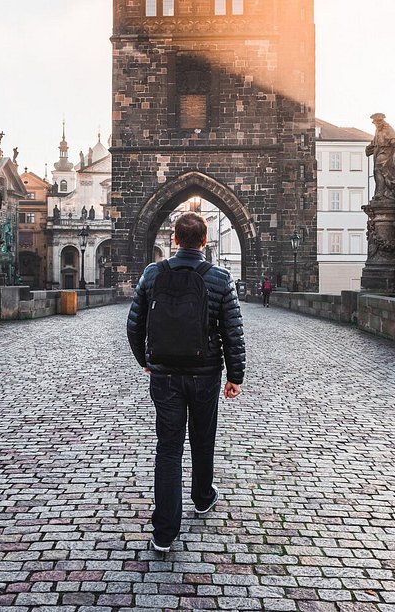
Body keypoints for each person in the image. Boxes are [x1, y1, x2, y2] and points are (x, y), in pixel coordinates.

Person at [127, 212, 246, 554]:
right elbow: (232, 333)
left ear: (175, 240)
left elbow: (134, 325)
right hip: (205, 374)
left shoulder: (153, 273)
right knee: (202, 438)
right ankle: (203, 497)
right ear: (205, 242)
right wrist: (234, 376)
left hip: (164, 375)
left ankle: (164, 532)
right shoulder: (220, 278)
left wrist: (147, 362)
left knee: (168, 449)